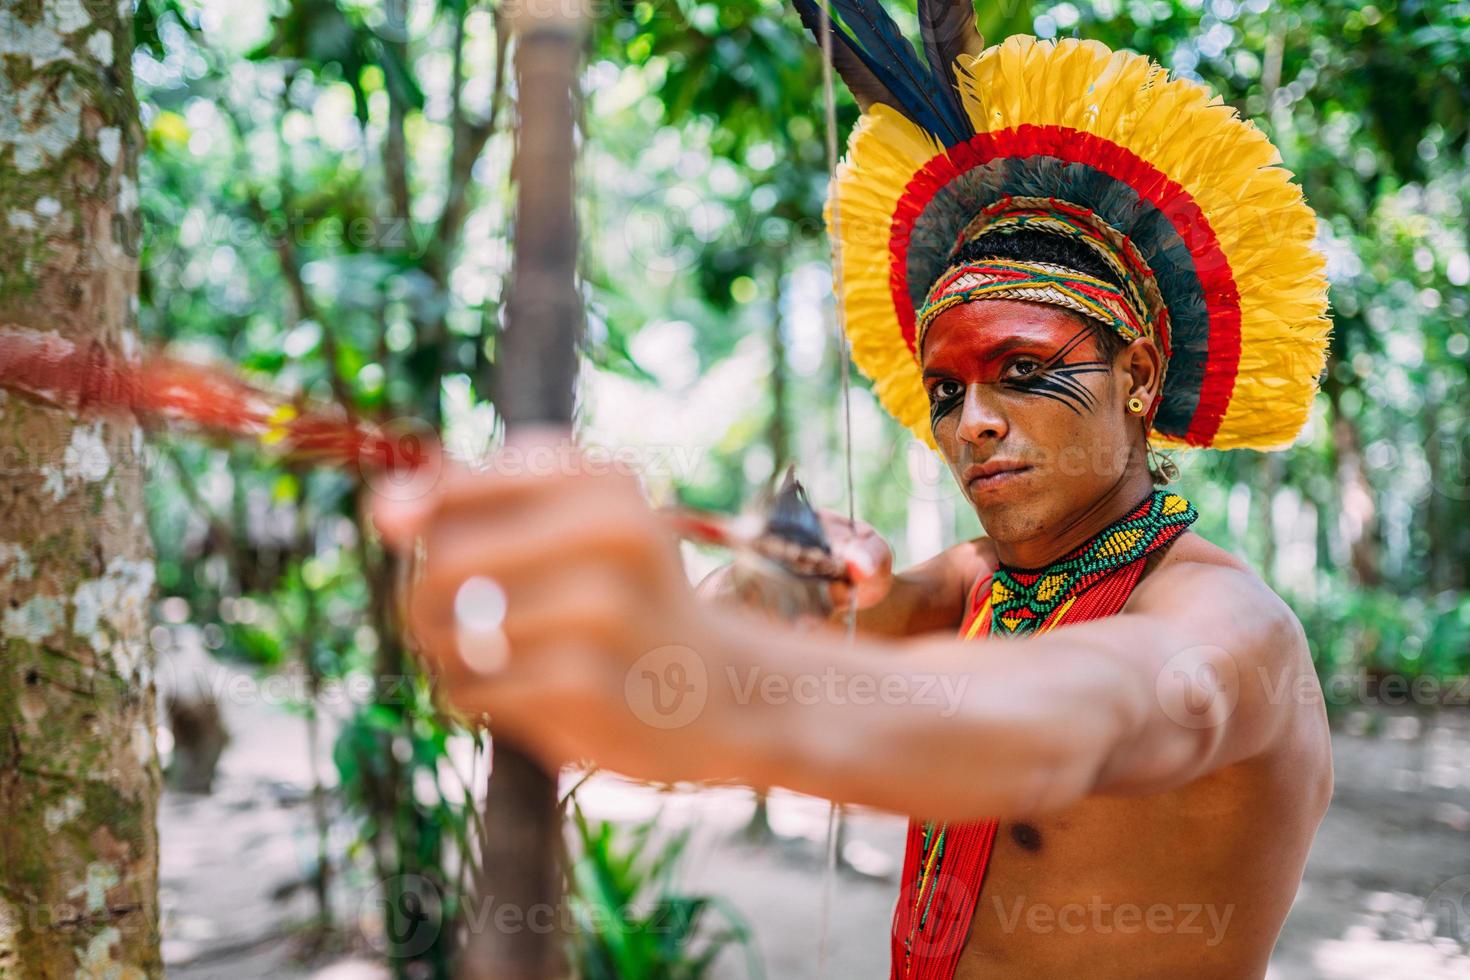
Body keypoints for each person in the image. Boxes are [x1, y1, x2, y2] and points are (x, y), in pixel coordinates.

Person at [371, 8, 1335, 979]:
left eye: (1024, 368)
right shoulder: (972, 587)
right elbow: (701, 693)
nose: (972, 423)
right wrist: (760, 594)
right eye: (948, 390)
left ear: (1137, 373)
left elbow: (1078, 716)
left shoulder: (1233, 625)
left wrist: (727, 680)